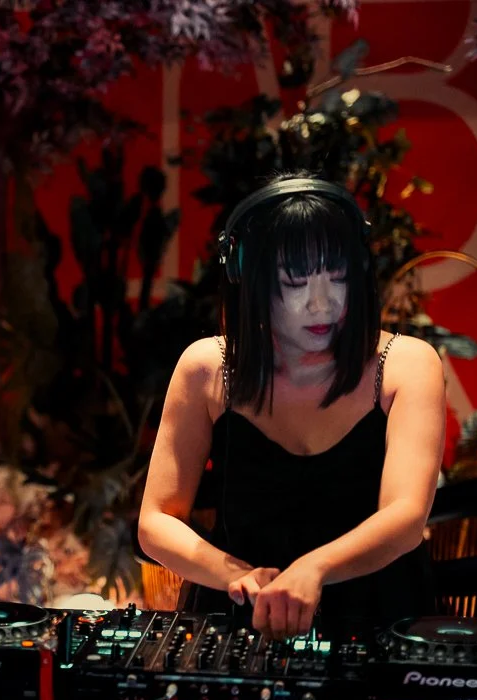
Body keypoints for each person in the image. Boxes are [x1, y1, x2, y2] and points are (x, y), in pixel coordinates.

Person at [137, 172, 446, 640]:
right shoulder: (208, 367)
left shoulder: (406, 365)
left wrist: (313, 570)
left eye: (338, 277)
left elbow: (404, 517)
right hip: (240, 613)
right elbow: (156, 521)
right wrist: (237, 577)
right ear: (249, 278)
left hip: (379, 614)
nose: (322, 303)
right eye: (296, 282)